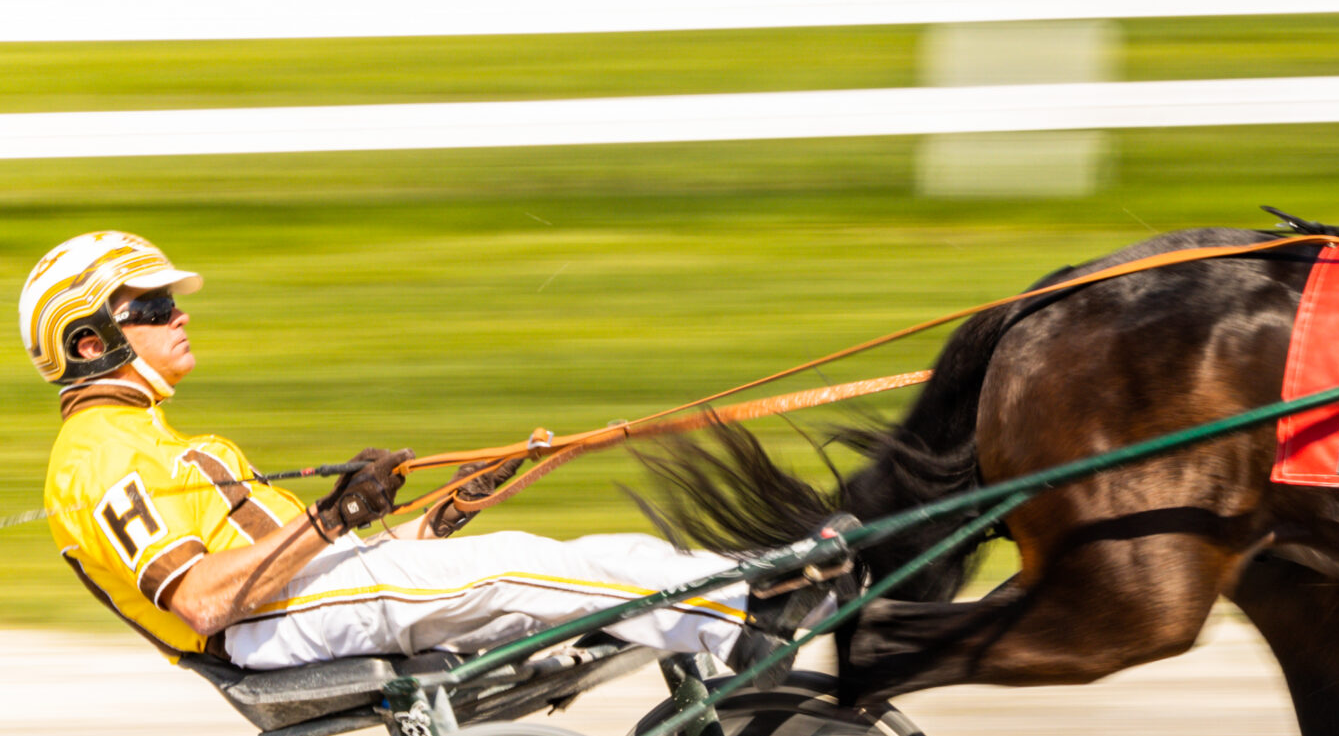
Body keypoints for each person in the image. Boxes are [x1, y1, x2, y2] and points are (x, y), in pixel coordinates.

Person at [25, 230, 797, 675]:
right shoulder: (97, 455)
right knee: (520, 568)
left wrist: (446, 512)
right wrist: (331, 520)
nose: (180, 315)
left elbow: (331, 570)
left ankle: (747, 591)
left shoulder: (149, 437)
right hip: (259, 630)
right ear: (90, 343)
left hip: (295, 607)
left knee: (586, 552)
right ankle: (752, 610)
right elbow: (199, 600)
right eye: (154, 308)